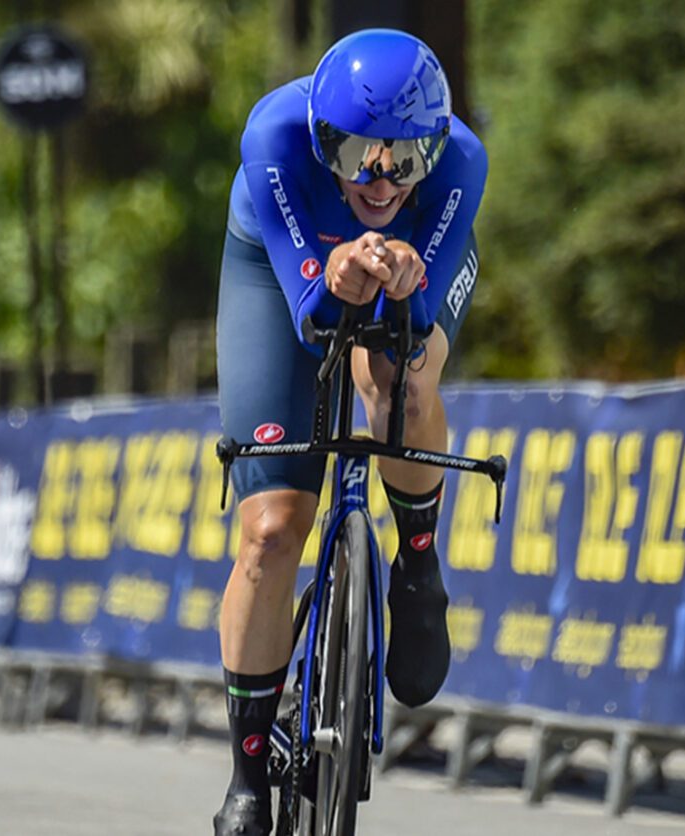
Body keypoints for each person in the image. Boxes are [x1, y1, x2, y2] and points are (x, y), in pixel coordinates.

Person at [212, 28, 487, 835]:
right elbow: (312, 314)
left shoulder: (461, 162)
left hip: (412, 270)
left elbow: (416, 320)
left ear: (433, 149)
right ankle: (248, 776)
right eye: (358, 154)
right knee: (271, 531)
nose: (380, 179)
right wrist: (333, 275)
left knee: (400, 377)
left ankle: (418, 565)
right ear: (320, 136)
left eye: (404, 160)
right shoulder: (274, 135)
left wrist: (404, 284)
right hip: (277, 269)